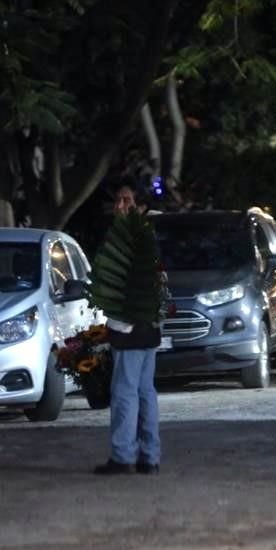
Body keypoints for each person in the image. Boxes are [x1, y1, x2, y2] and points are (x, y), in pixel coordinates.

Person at [94, 180, 165, 476]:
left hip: (130, 329)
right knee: (144, 391)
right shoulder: (146, 236)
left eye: (127, 201)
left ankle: (123, 456)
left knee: (126, 392)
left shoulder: (131, 237)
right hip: (147, 327)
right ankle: (149, 457)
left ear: (140, 206)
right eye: (119, 201)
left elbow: (120, 282)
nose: (120, 206)